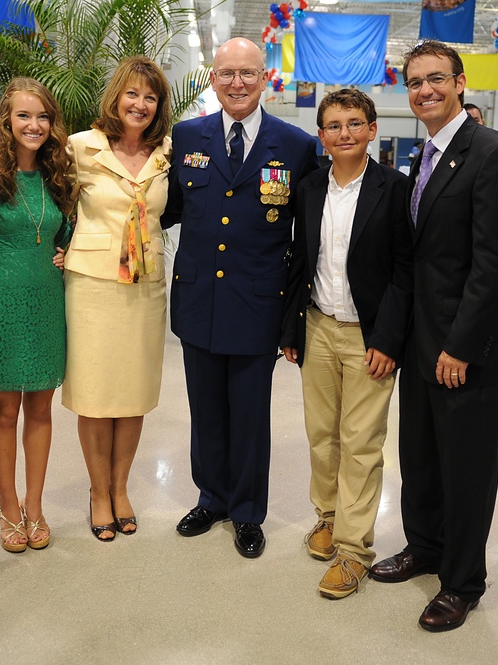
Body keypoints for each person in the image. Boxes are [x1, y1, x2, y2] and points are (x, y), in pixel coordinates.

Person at [368, 40, 498, 632]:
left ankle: (462, 582)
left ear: (461, 83)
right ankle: (426, 547)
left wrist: (460, 346)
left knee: (465, 470)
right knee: (422, 460)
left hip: (470, 352)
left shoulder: (492, 154)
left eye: (437, 79)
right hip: (423, 344)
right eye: (414, 82)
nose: (425, 90)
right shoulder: (426, 155)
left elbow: (495, 264)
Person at [162, 38, 319, 558]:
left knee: (249, 416)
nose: (237, 83)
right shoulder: (186, 136)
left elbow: (308, 234)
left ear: (265, 78)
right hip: (198, 301)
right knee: (205, 411)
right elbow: (166, 208)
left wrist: (295, 316)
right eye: (227, 73)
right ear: (212, 78)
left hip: (258, 303)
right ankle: (212, 498)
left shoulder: (294, 146)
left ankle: (248, 513)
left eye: (247, 74)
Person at [280, 89, 412, 599]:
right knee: (321, 434)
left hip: (368, 337)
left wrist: (389, 338)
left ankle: (354, 551)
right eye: (333, 126)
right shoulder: (310, 187)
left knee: (361, 442)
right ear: (321, 136)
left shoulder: (394, 190)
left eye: (354, 123)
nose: (344, 134)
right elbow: (299, 260)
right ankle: (329, 517)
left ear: (373, 130)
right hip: (318, 326)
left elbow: (405, 271)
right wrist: (291, 329)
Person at [0, 78, 71, 553]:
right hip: (0, 296)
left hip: (47, 298)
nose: (34, 125)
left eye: (43, 116)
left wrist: (67, 250)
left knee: (41, 410)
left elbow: (68, 229)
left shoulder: (59, 173)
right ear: (6, 120)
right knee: (4, 411)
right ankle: (8, 506)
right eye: (24, 115)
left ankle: (36, 504)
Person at [64, 57, 171, 541]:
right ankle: (97, 491)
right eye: (132, 94)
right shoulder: (80, 147)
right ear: (115, 98)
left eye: (150, 97)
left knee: (132, 394)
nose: (140, 104)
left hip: (144, 285)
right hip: (91, 285)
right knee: (95, 392)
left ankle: (121, 488)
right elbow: (48, 200)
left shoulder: (167, 150)